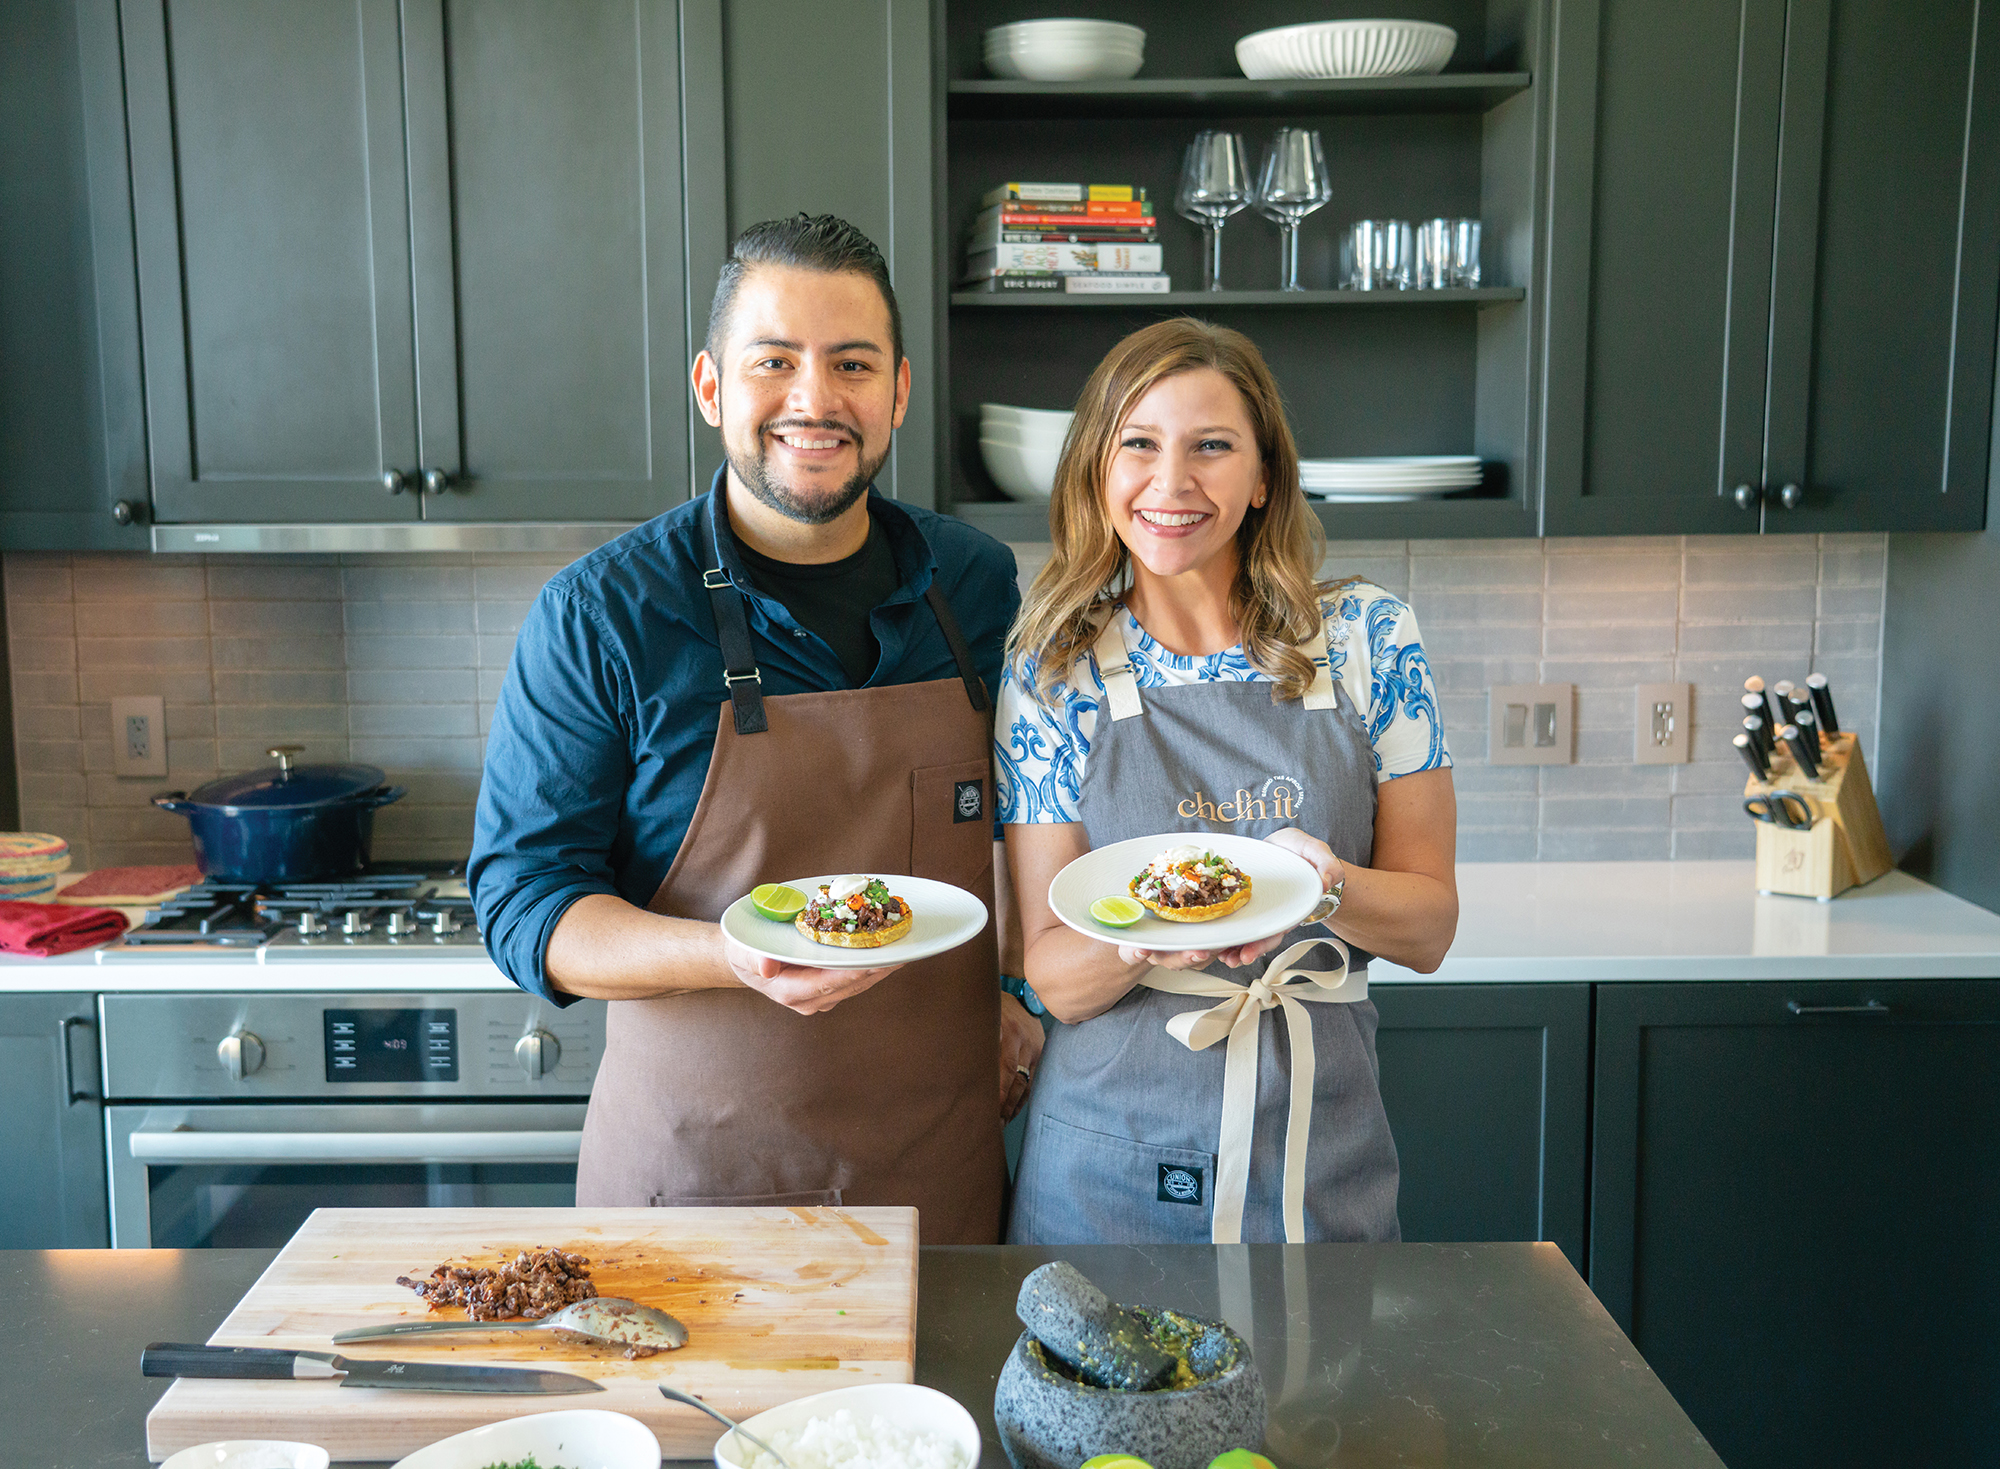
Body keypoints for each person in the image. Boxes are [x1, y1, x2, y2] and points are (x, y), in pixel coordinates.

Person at [470, 214, 1042, 1242]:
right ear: (711, 387)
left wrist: (1012, 988)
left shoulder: (975, 583)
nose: (814, 400)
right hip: (693, 1192)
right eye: (773, 361)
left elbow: (1016, 821)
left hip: (939, 1183)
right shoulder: (602, 612)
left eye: (851, 363)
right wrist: (732, 953)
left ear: (899, 391)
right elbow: (524, 903)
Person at [996, 318, 1458, 1245]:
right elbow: (1047, 966)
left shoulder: (1372, 639)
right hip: (1106, 1165)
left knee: (1324, 1393)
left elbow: (1429, 928)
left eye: (1212, 446)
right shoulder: (1054, 668)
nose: (1172, 483)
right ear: (1098, 469)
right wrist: (1147, 939)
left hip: (1316, 1148)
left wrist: (1324, 887)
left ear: (1262, 479)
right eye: (1138, 444)